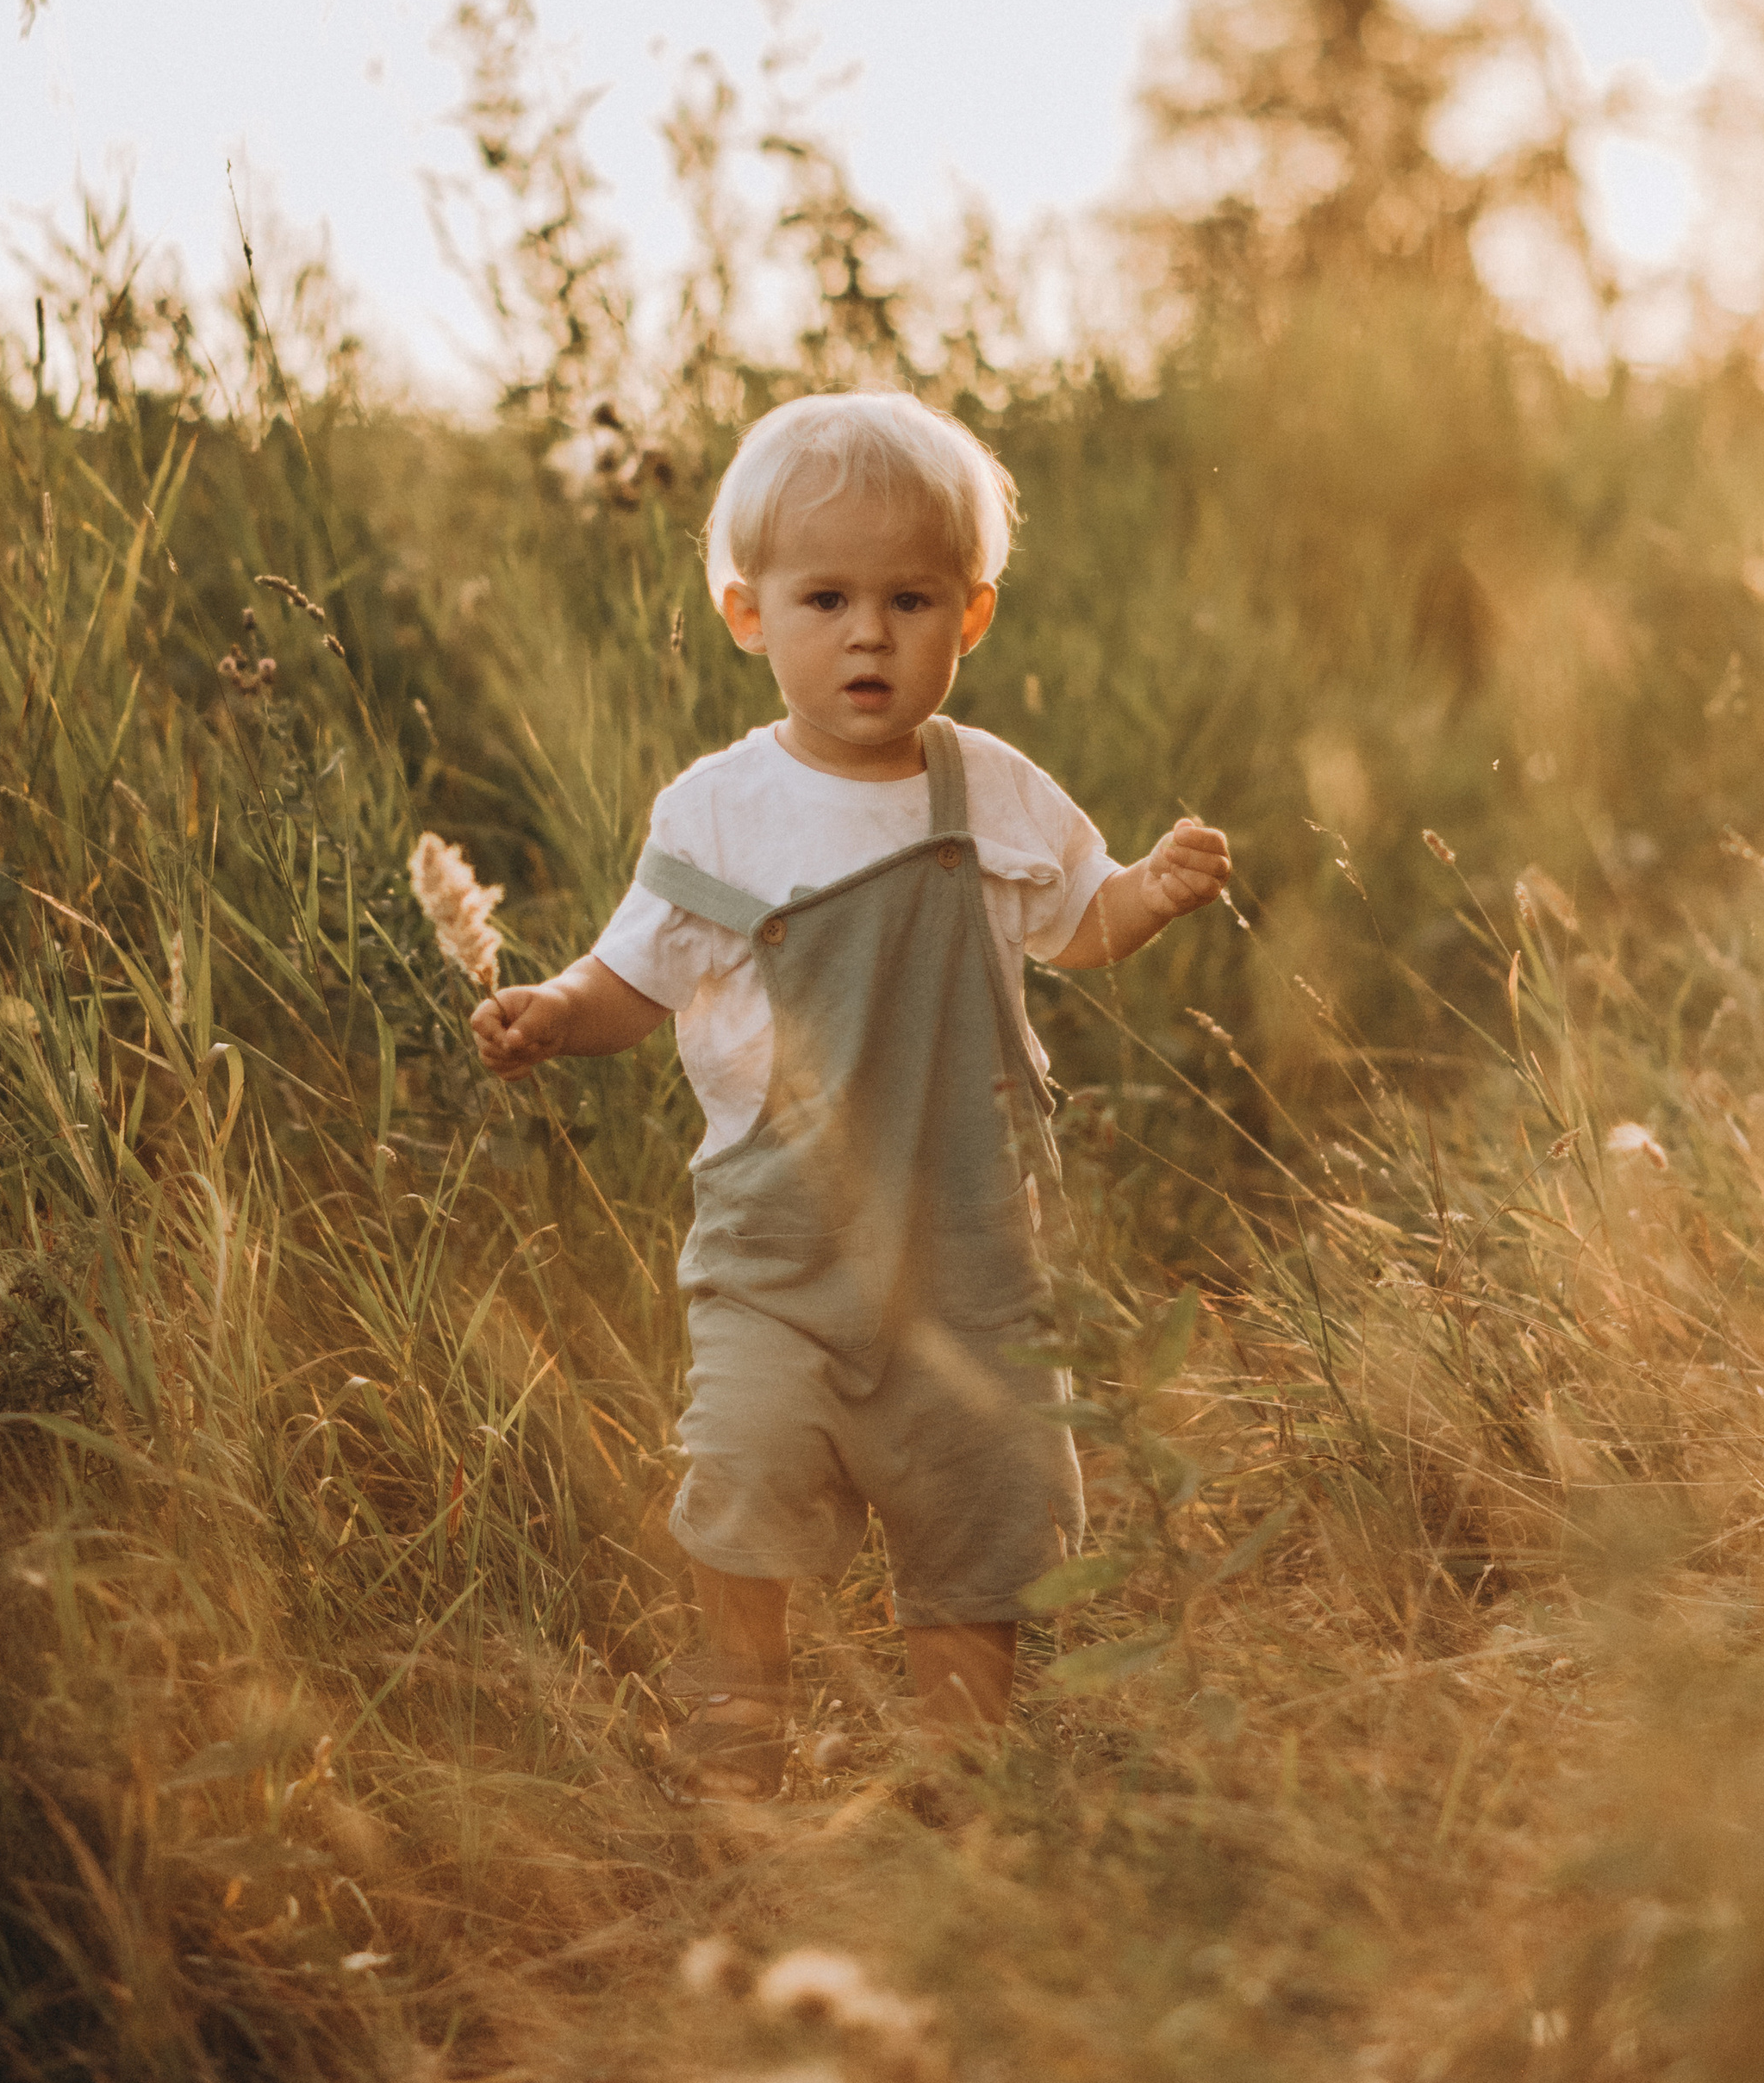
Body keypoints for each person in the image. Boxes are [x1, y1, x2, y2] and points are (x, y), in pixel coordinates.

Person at [471, 392, 1231, 1797]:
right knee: (745, 1467)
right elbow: (632, 977)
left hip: (971, 1251)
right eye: (828, 596)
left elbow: (1080, 926)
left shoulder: (991, 790)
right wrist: (553, 1014)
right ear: (749, 611)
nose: (870, 632)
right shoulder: (721, 813)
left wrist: (1153, 893)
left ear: (972, 616)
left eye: (911, 596)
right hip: (781, 1255)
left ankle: (963, 1773)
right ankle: (739, 1728)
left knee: (978, 1517)